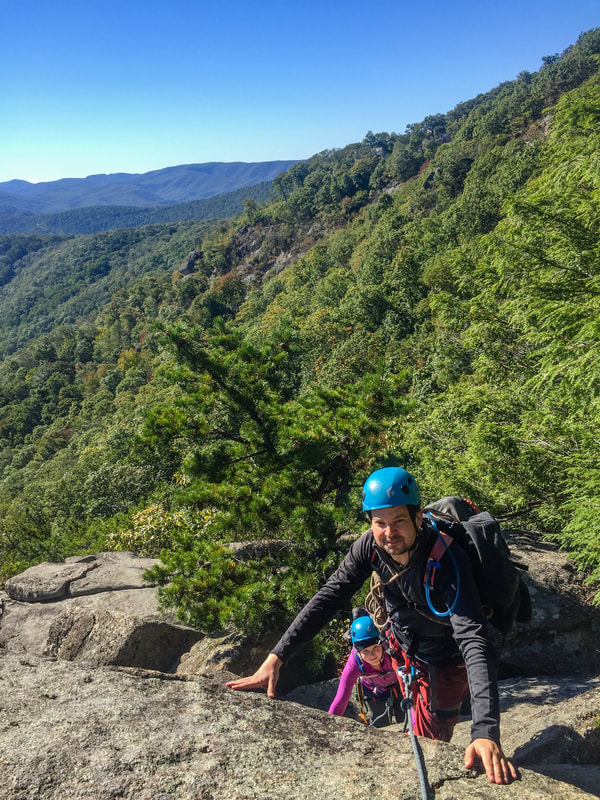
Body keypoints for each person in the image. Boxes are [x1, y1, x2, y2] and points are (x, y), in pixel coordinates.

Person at [227, 466, 517, 785]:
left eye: (398, 522)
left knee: (423, 747)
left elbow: (474, 640)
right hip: (398, 646)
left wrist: (485, 731)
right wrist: (275, 658)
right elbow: (328, 597)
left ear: (418, 518)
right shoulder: (369, 547)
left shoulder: (447, 560)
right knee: (408, 730)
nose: (389, 533)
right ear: (370, 522)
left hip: (445, 663)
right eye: (380, 523)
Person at [328, 612, 402, 727]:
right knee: (379, 725)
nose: (372, 655)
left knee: (404, 716)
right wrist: (329, 727)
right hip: (374, 693)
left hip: (400, 687)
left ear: (382, 643)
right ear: (358, 651)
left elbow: (412, 691)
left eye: (375, 647)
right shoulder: (355, 663)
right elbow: (341, 699)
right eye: (365, 651)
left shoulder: (393, 652)